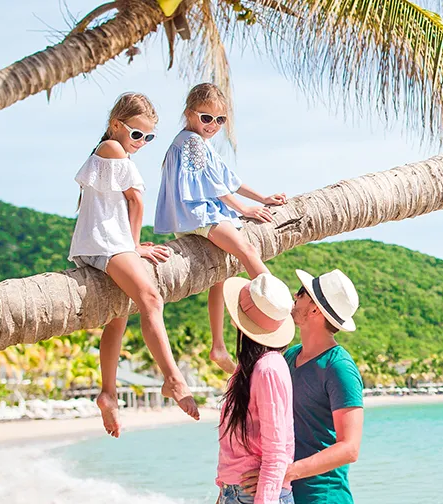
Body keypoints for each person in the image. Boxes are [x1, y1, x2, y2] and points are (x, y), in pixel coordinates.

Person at [69, 92, 198, 438]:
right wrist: (135, 245)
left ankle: (108, 393)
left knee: (118, 317)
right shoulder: (113, 150)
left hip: (98, 243)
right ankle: (172, 377)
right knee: (151, 300)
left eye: (148, 137)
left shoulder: (108, 152)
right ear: (116, 125)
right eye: (137, 134)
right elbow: (136, 201)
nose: (141, 143)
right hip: (109, 243)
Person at [154, 83, 287, 375]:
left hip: (192, 217)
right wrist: (244, 208)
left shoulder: (197, 142)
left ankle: (218, 346)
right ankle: (281, 313)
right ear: (189, 114)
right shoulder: (190, 142)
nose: (212, 125)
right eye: (206, 118)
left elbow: (229, 179)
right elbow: (215, 187)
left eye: (220, 120)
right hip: (200, 214)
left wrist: (262, 198)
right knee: (247, 251)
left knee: (220, 275)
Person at [242, 269, 364, 504]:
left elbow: (350, 448)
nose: (294, 297)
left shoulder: (340, 368)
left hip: (323, 497)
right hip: (284, 493)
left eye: (300, 293)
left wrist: (284, 472)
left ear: (315, 309)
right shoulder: (290, 356)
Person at [215, 273, 297, 504]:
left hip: (255, 496)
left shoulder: (268, 368)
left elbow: (276, 450)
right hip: (238, 493)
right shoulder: (249, 368)